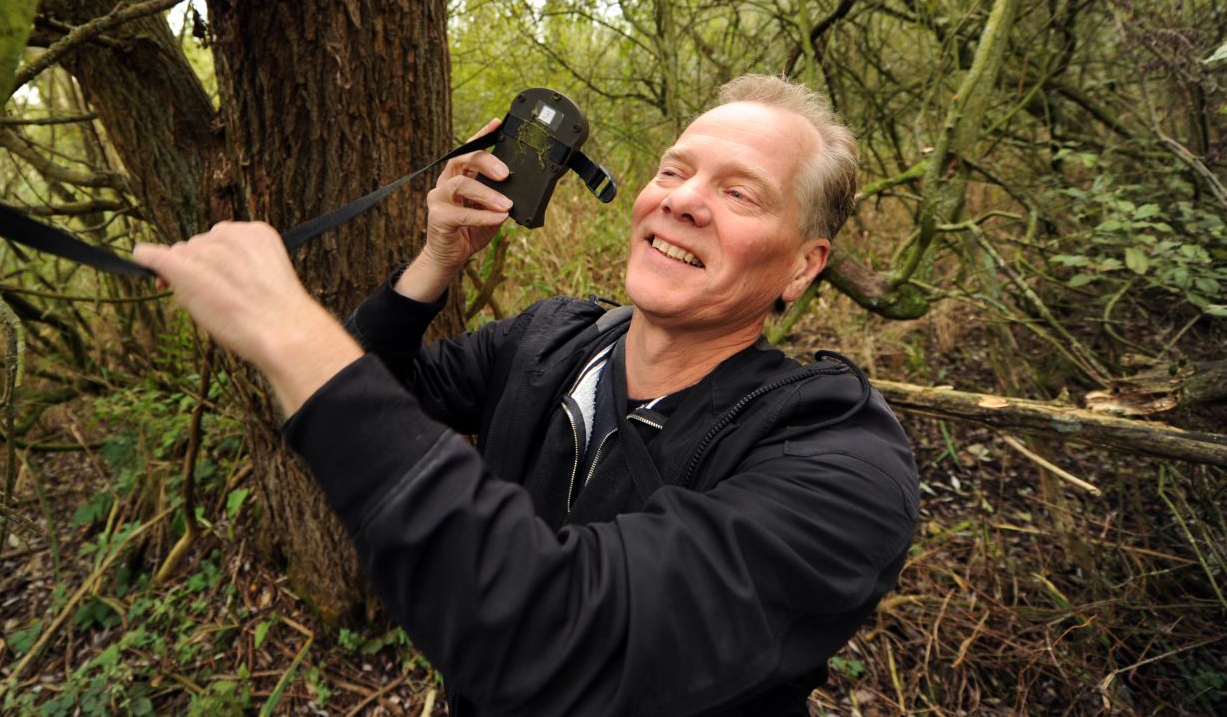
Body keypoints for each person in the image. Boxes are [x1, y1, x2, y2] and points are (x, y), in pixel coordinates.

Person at [135, 74, 919, 716]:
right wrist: (435, 264)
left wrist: (290, 332)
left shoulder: (840, 460)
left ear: (802, 266)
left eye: (741, 194)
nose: (680, 200)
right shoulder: (551, 339)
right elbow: (378, 396)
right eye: (674, 171)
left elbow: (560, 635)